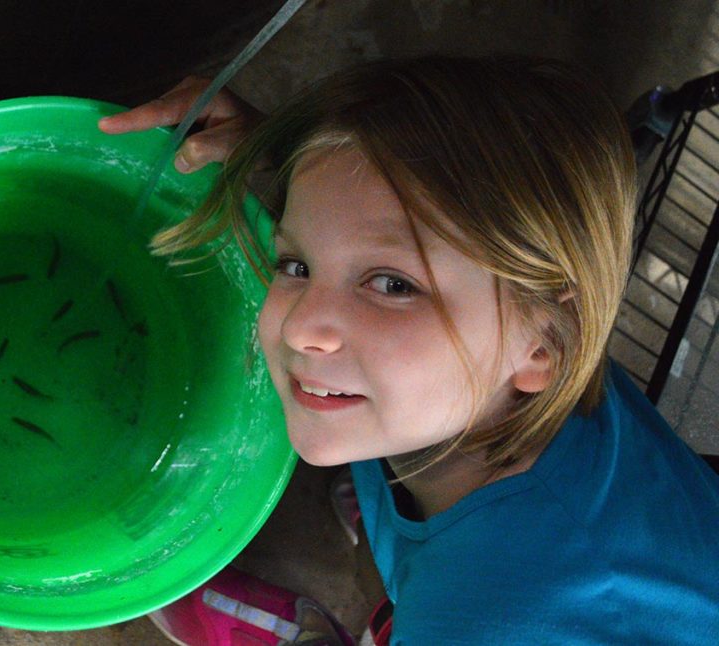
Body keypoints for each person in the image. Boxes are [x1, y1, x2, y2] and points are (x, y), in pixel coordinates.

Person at [99, 56, 719, 645]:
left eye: (393, 285)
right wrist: (294, 164)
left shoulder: (485, 622)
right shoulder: (504, 362)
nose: (299, 327)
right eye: (296, 262)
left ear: (546, 342)